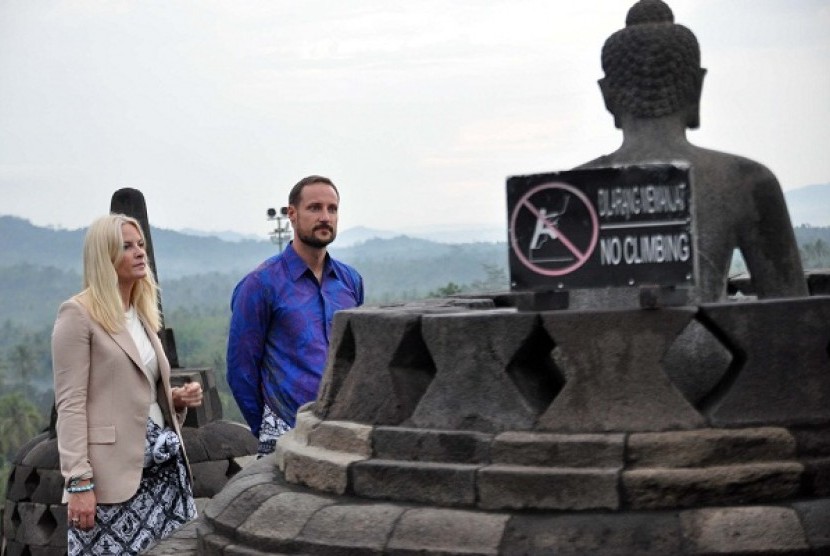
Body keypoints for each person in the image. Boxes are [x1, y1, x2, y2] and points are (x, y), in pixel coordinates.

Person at [573, 0, 807, 309]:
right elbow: (792, 312)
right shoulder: (745, 181)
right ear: (695, 88)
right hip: (709, 354)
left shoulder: (567, 192)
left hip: (590, 356)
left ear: (607, 96)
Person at [52, 213, 203, 555]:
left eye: (140, 245)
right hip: (111, 477)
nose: (139, 253)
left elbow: (136, 389)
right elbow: (70, 404)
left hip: (162, 471)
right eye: (126, 247)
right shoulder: (77, 314)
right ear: (104, 255)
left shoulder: (141, 311)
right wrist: (78, 482)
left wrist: (174, 399)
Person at [227, 175, 364, 456]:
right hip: (285, 431)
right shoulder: (260, 284)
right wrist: (267, 428)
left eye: (332, 209)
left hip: (343, 430)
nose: (325, 217)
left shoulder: (349, 282)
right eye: (314, 208)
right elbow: (241, 370)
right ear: (292, 214)